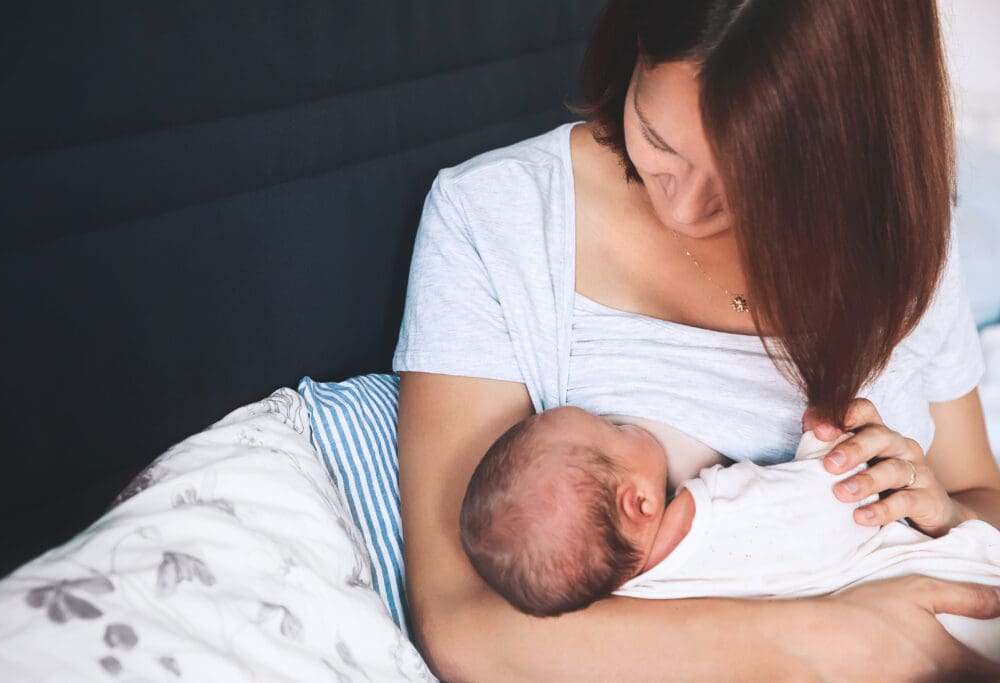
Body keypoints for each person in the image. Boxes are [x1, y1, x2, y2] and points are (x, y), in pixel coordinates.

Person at [394, 1, 1000, 680]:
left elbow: (981, 492)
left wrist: (938, 508)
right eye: (657, 138)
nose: (682, 209)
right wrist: (827, 639)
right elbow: (461, 619)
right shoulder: (497, 221)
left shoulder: (904, 243)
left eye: (747, 182)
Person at [458, 406, 1000, 661]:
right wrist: (825, 447)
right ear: (640, 502)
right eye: (616, 427)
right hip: (948, 614)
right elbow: (824, 507)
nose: (627, 421)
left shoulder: (628, 597)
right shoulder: (714, 509)